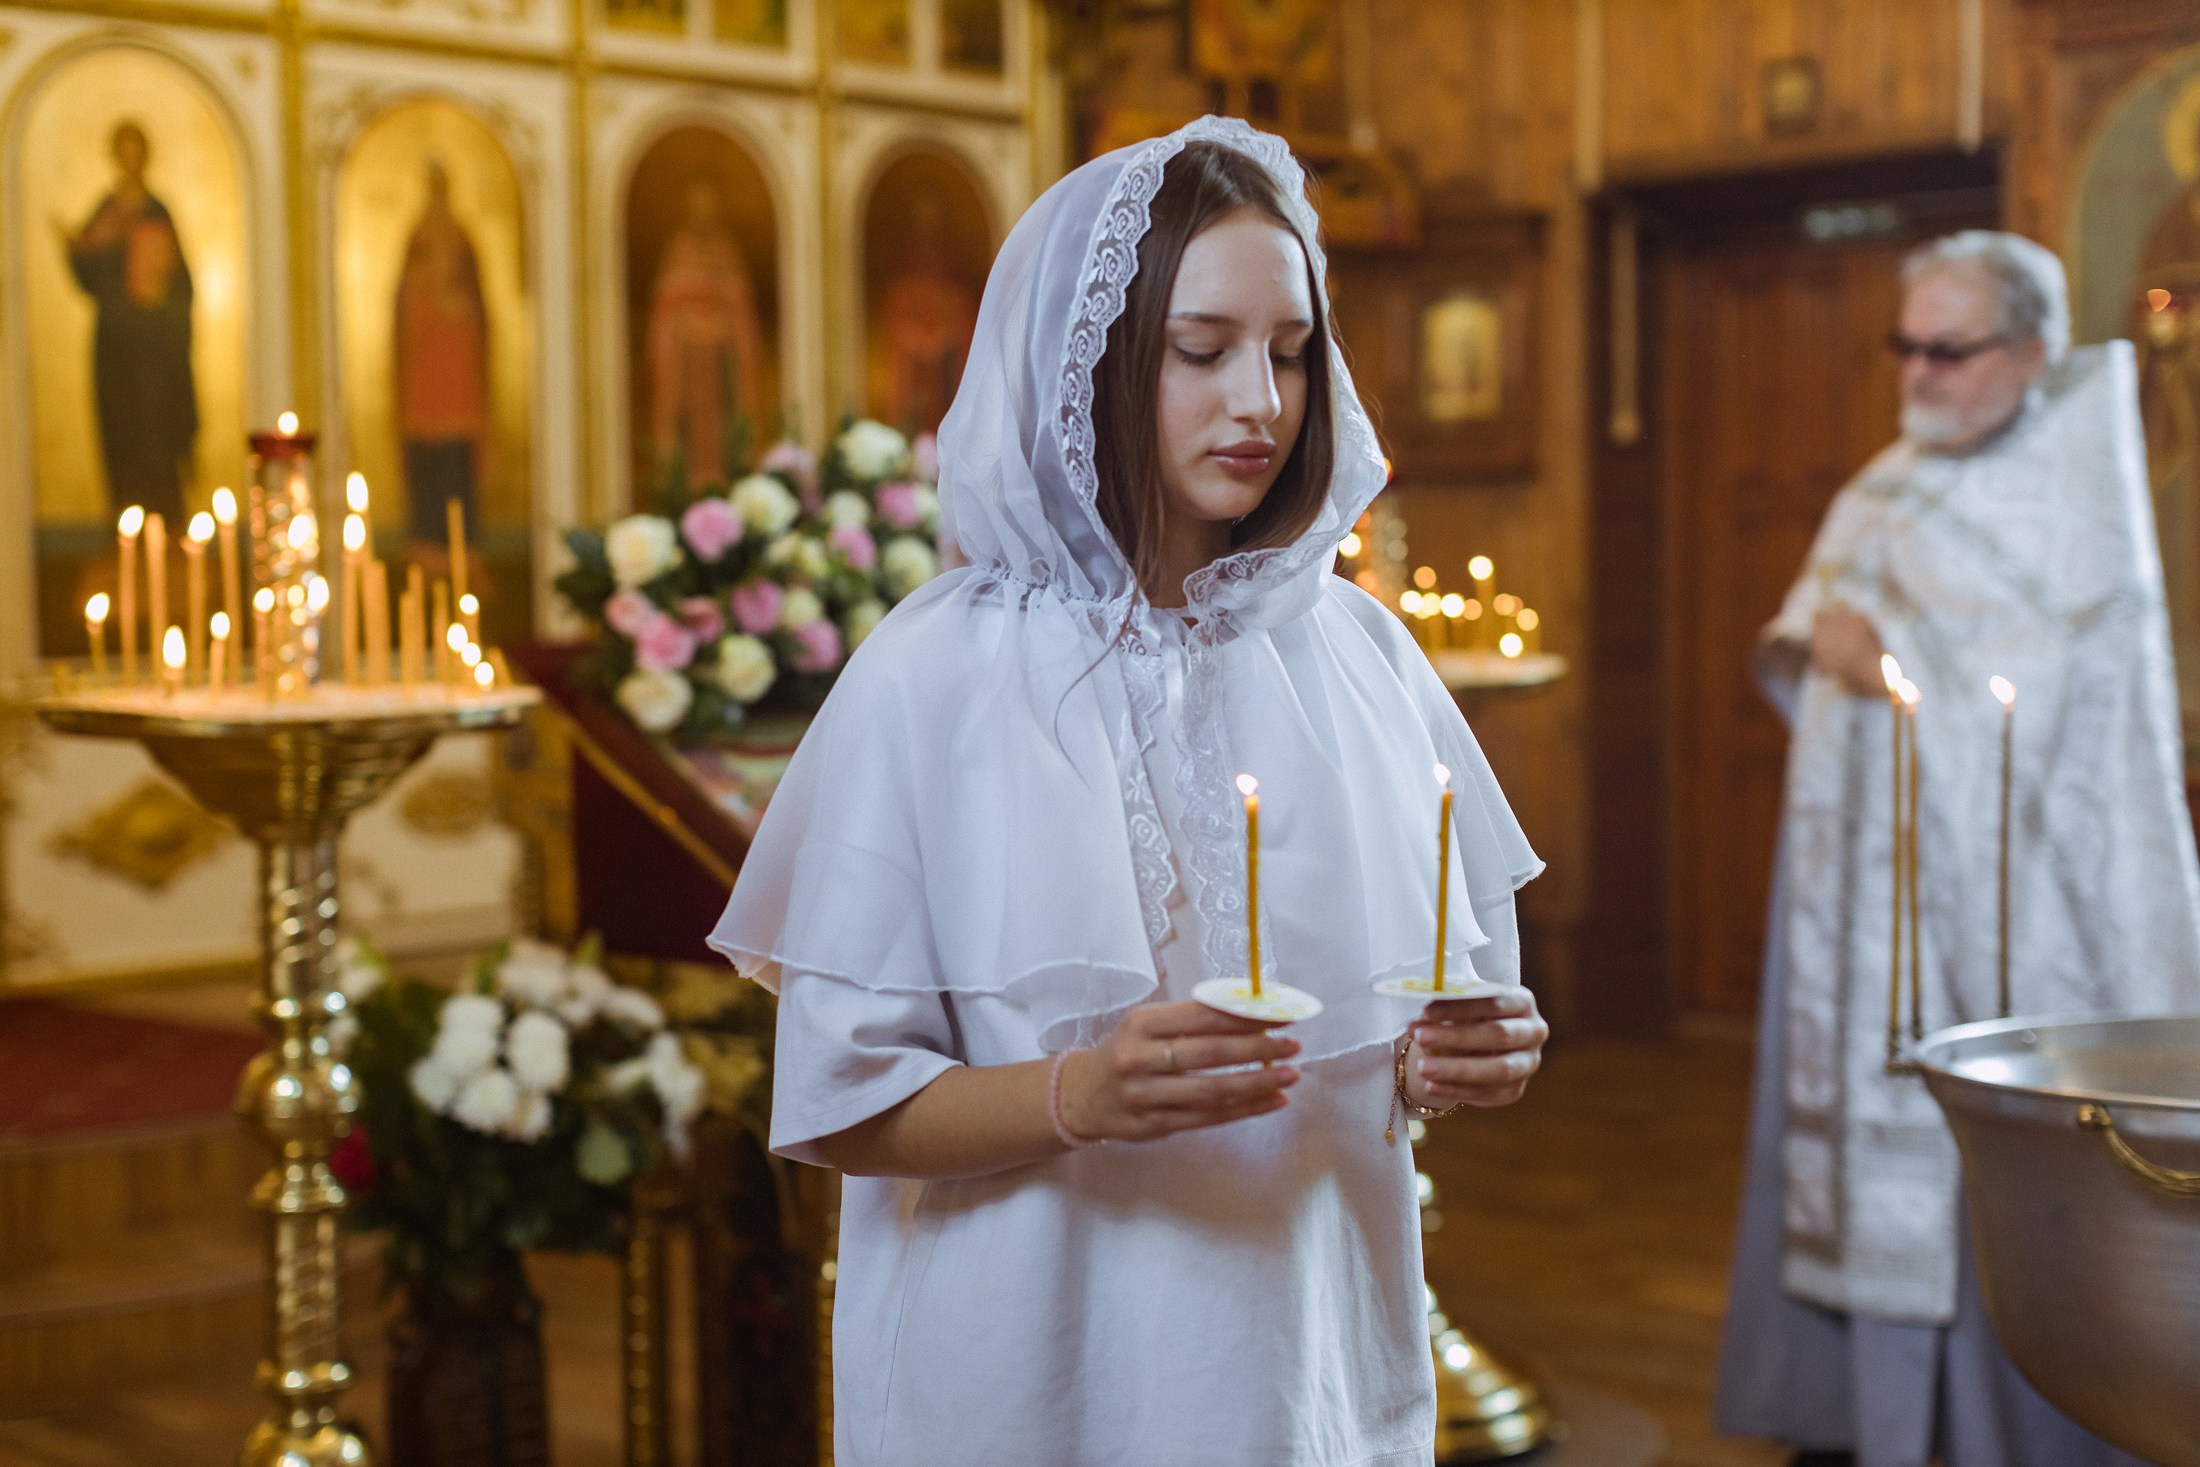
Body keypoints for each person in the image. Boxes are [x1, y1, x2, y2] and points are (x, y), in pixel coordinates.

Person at [709, 118, 1550, 1467]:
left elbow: (1408, 1030)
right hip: (1027, 1385)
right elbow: (842, 1104)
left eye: (1289, 350)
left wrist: (1464, 1053)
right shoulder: (940, 674)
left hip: (1303, 1370)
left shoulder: (1360, 655)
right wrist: (1080, 1092)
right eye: (1201, 348)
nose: (1262, 402)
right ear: (1092, 361)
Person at [1715, 231, 2200, 1467]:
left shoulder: (2073, 499)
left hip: (2013, 902)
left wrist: (1888, 655)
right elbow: (1802, 630)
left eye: (1950, 349)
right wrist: (1821, 642)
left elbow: (2066, 717)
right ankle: (1866, 1428)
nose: (1919, 373)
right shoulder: (1887, 479)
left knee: (1989, 1148)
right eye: (1906, 346)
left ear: (2030, 355)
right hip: (1860, 890)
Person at [62, 120, 197, 523]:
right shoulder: (105, 211)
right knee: (120, 434)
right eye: (122, 149)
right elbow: (90, 276)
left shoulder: (158, 211)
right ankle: (125, 526)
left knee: (157, 437)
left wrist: (162, 295)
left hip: (155, 350)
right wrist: (78, 251)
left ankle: (167, 526)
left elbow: (182, 284)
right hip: (116, 345)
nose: (129, 158)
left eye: (135, 148)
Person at [393, 160, 490, 549]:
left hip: (457, 372)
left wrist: (453, 307)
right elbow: (401, 306)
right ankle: (425, 544)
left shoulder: (462, 238)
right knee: (426, 462)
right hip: (423, 374)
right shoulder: (415, 238)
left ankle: (463, 546)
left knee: (455, 462)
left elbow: (477, 305)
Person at [647, 178, 765, 489]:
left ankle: (724, 474)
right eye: (698, 205)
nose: (703, 212)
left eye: (708, 205)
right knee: (690, 415)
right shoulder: (680, 247)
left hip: (719, 356)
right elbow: (668, 297)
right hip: (687, 354)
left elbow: (739, 298)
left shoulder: (726, 248)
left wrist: (719, 304)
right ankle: (686, 478)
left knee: (721, 416)